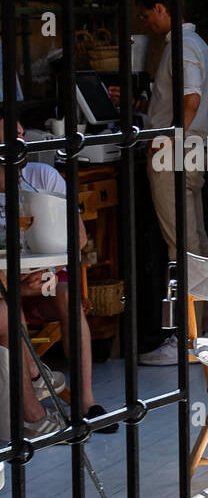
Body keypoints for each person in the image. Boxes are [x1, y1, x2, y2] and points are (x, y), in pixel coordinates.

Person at [0, 116, 113, 435]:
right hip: (9, 286)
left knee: (69, 299)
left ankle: (85, 403)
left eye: (20, 133)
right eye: (8, 137)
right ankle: (35, 375)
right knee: (11, 302)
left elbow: (78, 238)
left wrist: (47, 268)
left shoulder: (43, 176)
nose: (18, 142)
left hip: (46, 279)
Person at [134, 0, 208, 366]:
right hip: (191, 148)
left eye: (147, 13)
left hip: (176, 151)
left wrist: (166, 140)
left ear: (162, 9)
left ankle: (189, 337)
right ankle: (205, 330)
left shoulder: (181, 48)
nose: (145, 21)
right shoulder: (195, 45)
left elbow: (191, 98)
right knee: (194, 238)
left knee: (180, 243)